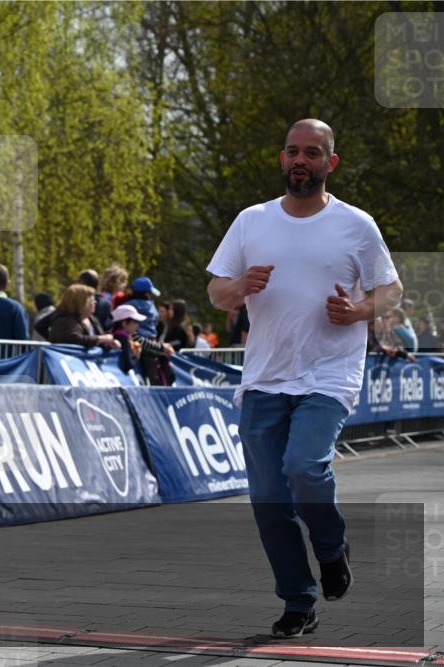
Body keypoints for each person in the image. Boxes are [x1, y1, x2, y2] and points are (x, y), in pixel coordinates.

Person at [207, 119, 402, 639]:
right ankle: (298, 600)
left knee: (304, 467)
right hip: (264, 377)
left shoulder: (356, 224)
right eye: (293, 151)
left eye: (312, 153)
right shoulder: (252, 220)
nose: (301, 160)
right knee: (269, 499)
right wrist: (239, 286)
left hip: (328, 374)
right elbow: (216, 292)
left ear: (329, 163)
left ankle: (331, 548)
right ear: (282, 159)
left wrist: (359, 310)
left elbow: (391, 290)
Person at [47, 284, 121, 350]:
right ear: (80, 302)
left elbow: (100, 340)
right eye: (91, 300)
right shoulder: (64, 320)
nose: (95, 302)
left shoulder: (92, 318)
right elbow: (74, 339)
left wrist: (110, 343)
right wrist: (100, 339)